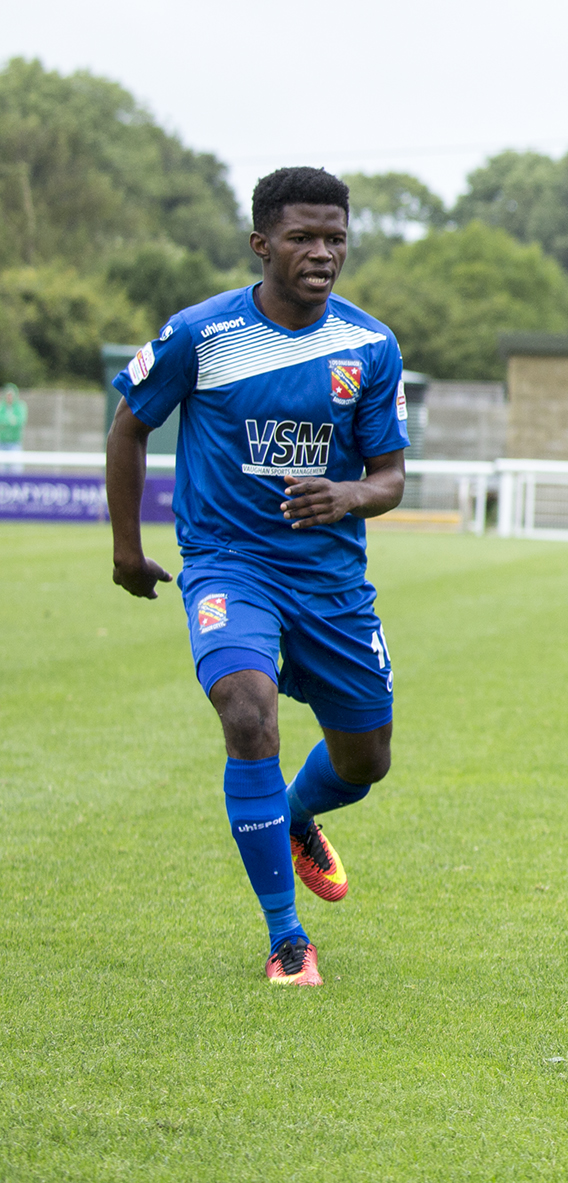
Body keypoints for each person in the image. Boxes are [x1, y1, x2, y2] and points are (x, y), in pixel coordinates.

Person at [104, 167, 409, 987]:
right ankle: (287, 939)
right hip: (229, 565)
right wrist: (127, 550)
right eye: (304, 237)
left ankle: (298, 814)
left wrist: (345, 492)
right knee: (247, 710)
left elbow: (390, 478)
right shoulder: (200, 335)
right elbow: (129, 427)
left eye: (336, 237)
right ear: (261, 243)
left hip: (332, 583)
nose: (323, 252)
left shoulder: (370, 345)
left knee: (365, 761)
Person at [0, 383, 25, 473]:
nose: (9, 397)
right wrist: (10, 421)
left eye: (11, 395)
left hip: (14, 443)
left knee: (16, 470)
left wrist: (6, 422)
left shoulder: (20, 407)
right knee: (2, 470)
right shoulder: (1, 407)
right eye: (8, 395)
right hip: (2, 442)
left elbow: (20, 422)